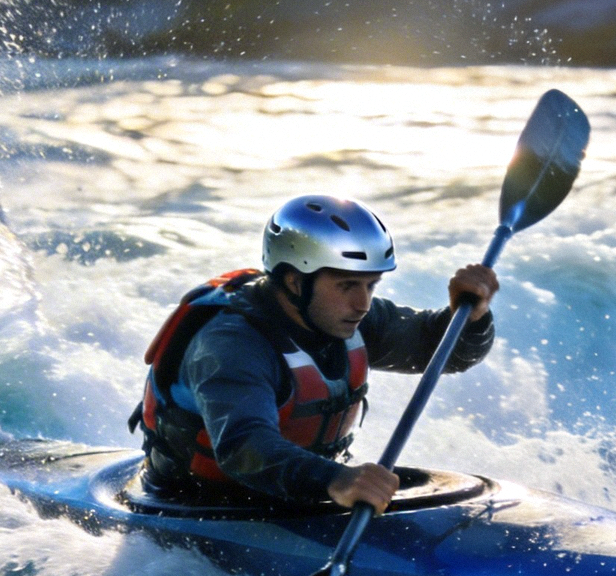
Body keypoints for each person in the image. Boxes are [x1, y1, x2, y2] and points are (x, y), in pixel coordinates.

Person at [130, 195, 498, 512]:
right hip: (198, 505)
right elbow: (245, 447)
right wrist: (335, 480)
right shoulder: (232, 345)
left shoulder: (344, 316)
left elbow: (443, 352)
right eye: (347, 285)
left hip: (301, 495)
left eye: (371, 285)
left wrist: (470, 316)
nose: (362, 303)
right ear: (295, 281)